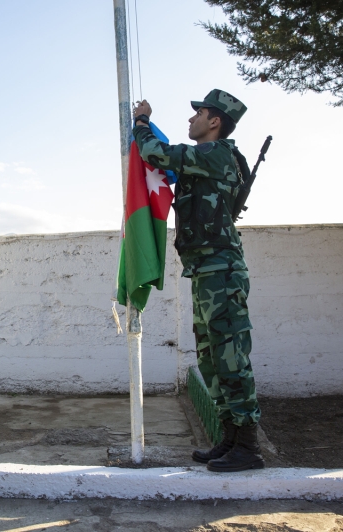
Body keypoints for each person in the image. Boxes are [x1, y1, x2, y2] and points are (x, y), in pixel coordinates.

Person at [132, 89, 264, 473]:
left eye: (199, 113)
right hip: (206, 271)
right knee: (211, 359)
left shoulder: (215, 154)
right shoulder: (210, 158)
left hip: (221, 272)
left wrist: (142, 122)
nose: (191, 119)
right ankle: (230, 438)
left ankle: (249, 446)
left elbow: (158, 153)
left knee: (231, 358)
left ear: (215, 121)